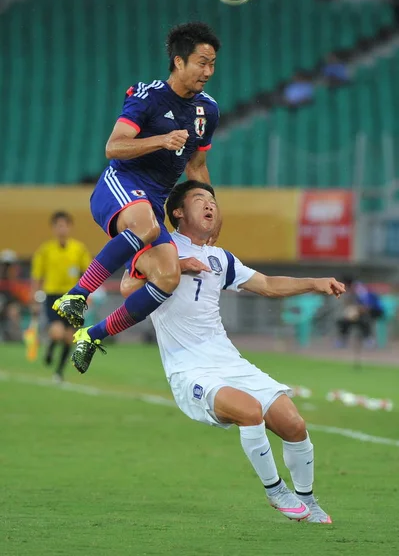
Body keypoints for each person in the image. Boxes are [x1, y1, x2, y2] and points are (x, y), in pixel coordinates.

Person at [86, 181, 344, 522]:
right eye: (199, 200)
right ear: (178, 211)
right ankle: (275, 491)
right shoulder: (162, 247)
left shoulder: (221, 258)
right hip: (189, 368)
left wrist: (315, 283)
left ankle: (308, 500)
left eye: (212, 201)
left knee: (294, 424)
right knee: (249, 411)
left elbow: (266, 285)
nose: (210, 206)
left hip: (228, 361)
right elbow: (128, 285)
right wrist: (175, 268)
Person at [52, 22, 221, 371]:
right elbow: (113, 147)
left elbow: (198, 166)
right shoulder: (148, 96)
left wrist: (211, 209)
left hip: (149, 204)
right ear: (178, 62)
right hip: (119, 185)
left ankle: (92, 335)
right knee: (145, 224)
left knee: (169, 277)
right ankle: (77, 295)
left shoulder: (207, 110)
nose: (208, 71)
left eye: (213, 64)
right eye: (202, 62)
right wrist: (160, 139)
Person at [31, 212, 92, 381]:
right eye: (58, 225)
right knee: (57, 333)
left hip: (73, 296)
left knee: (68, 338)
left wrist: (89, 294)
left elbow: (88, 273)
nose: (62, 229)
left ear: (70, 227)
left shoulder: (79, 249)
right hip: (53, 295)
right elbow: (37, 276)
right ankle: (50, 347)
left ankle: (58, 372)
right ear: (53, 228)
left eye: (65, 225)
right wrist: (34, 298)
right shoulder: (45, 250)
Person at [335, 277, 384, 348]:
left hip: (375, 311)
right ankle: (343, 339)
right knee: (344, 321)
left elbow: (368, 306)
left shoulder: (363, 291)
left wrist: (359, 309)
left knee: (363, 320)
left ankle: (368, 339)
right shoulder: (353, 294)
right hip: (361, 313)